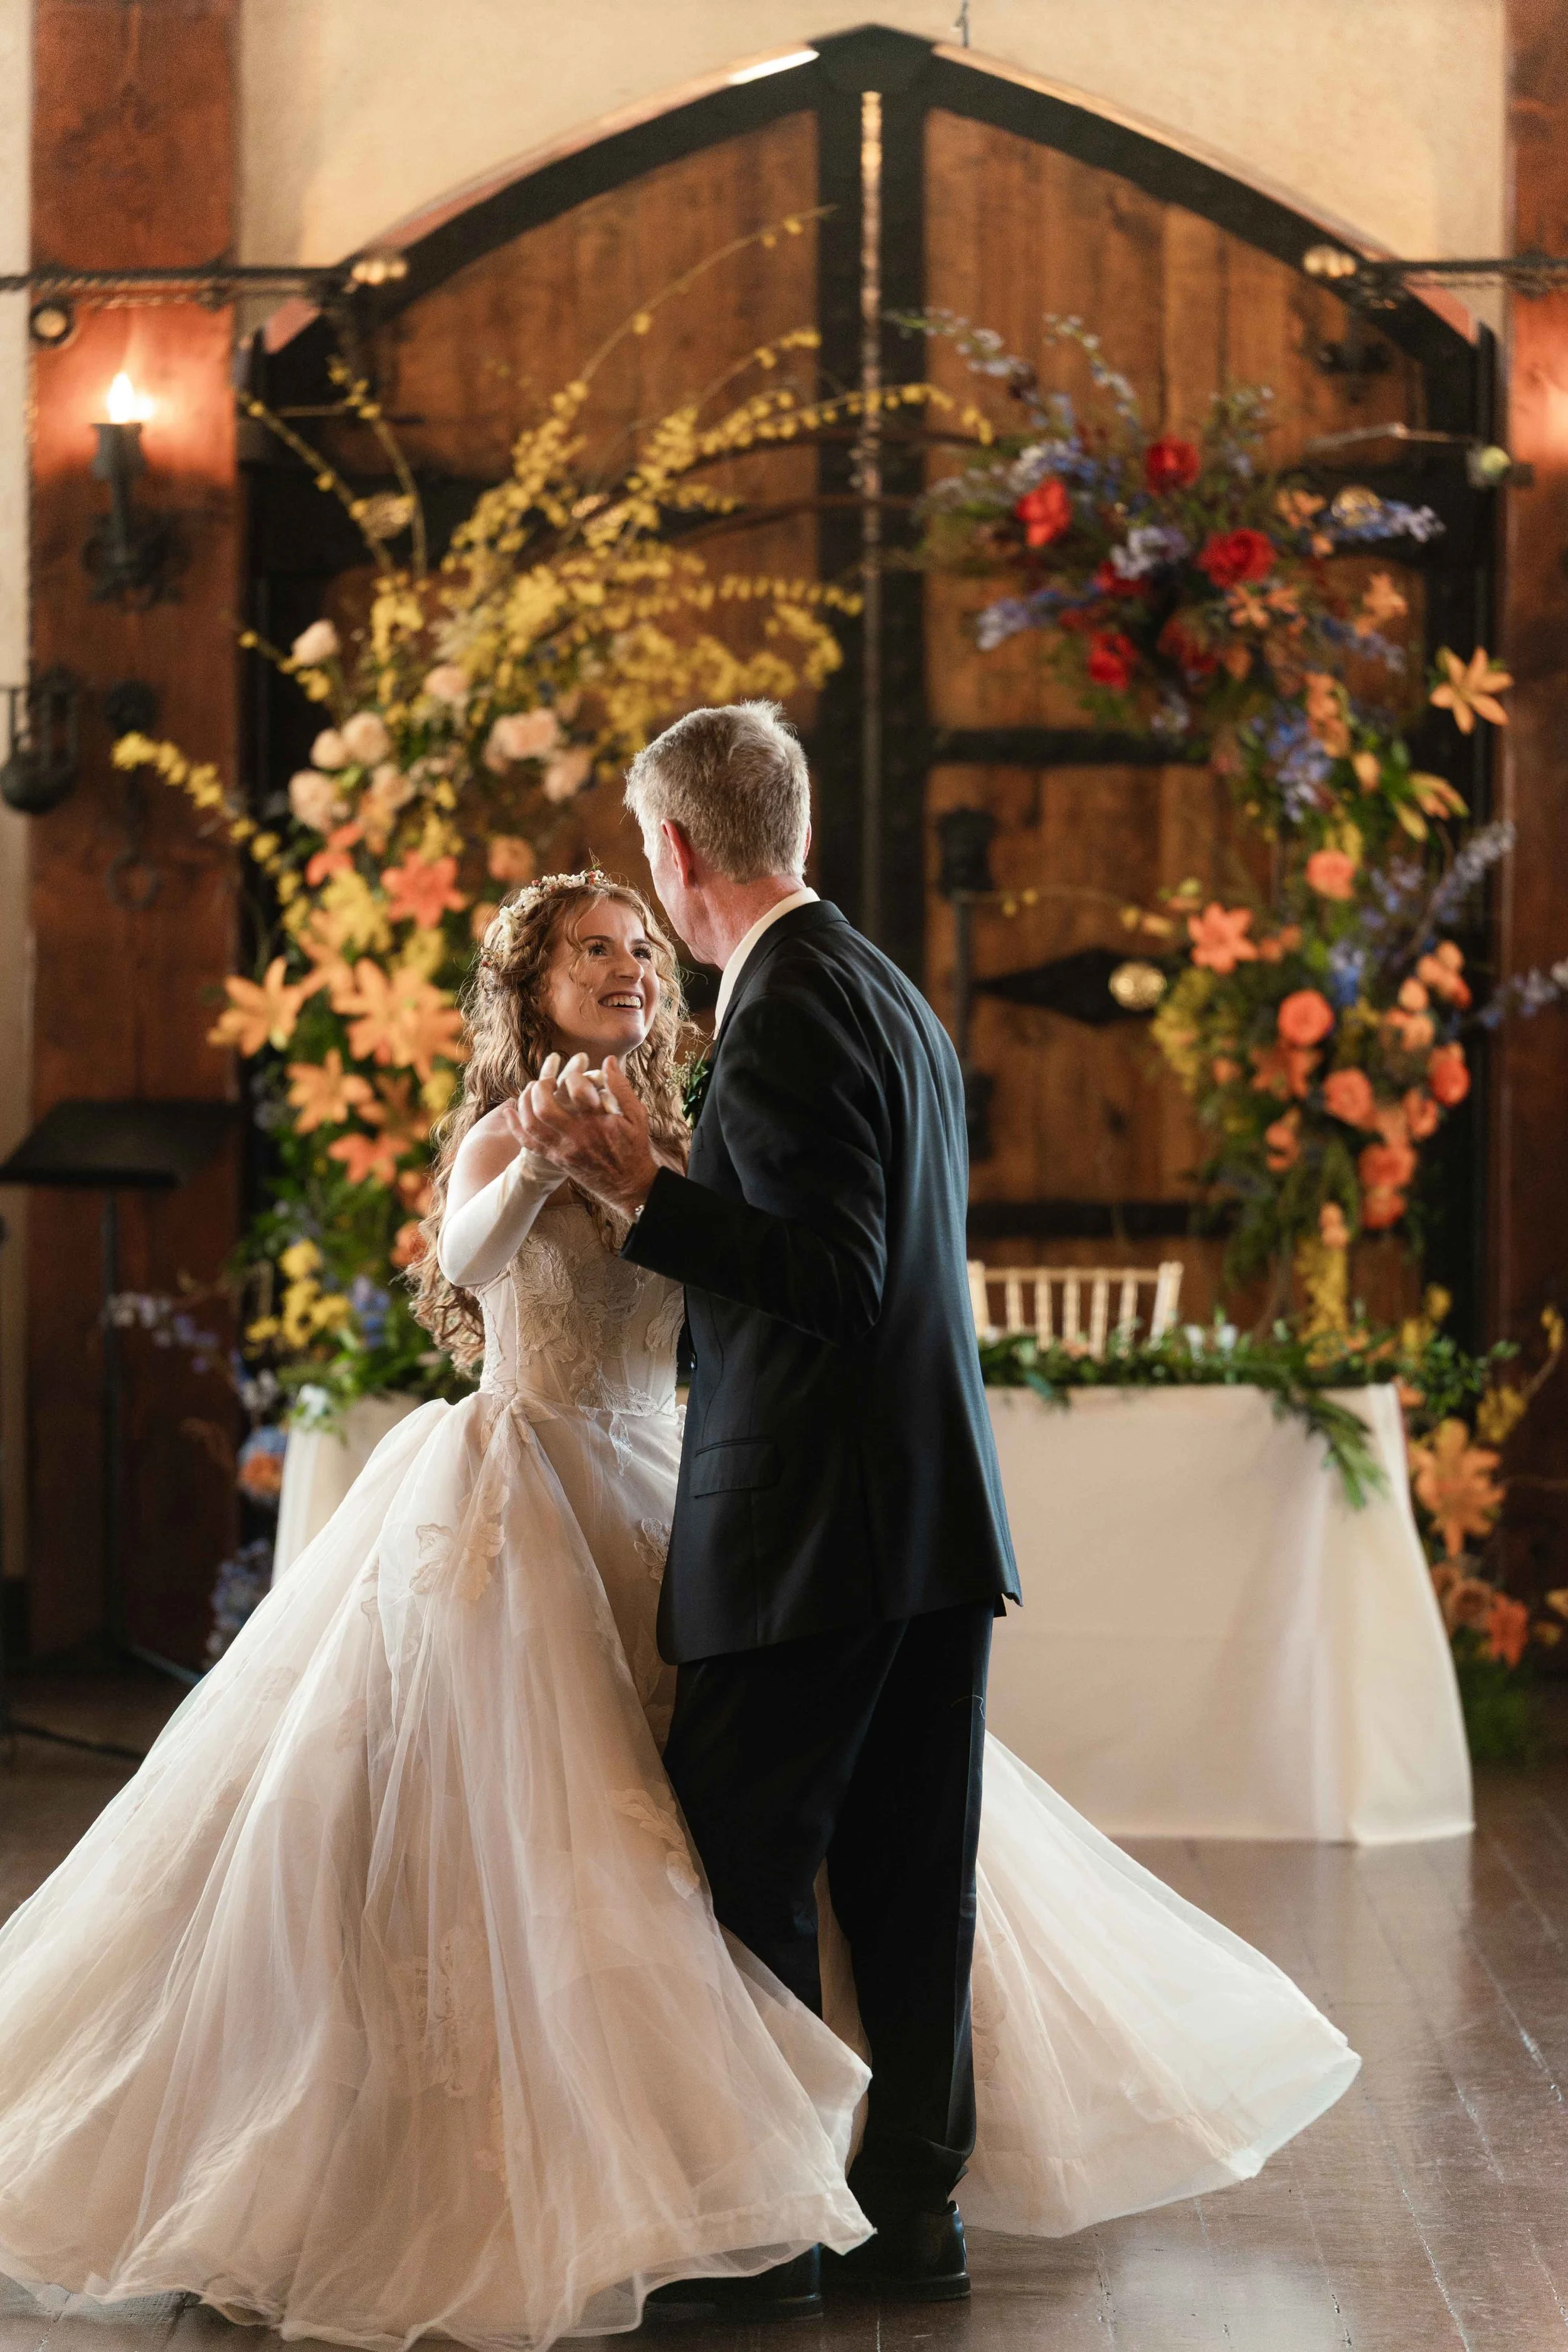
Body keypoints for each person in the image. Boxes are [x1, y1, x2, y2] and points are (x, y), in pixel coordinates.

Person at [0, 832, 1358, 2352]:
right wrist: (533, 1152)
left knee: (747, 1834)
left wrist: (654, 1179)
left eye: (644, 949)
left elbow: (755, 1282)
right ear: (527, 984)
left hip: (676, 1491)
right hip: (519, 1500)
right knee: (533, 1829)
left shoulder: (700, 1127)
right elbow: (464, 1260)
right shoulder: (497, 1130)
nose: (632, 969)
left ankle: (810, 2169)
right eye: (594, 950)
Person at [514, 702, 1359, 2312]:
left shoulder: (782, 1013)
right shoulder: (883, 989)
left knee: (739, 1868)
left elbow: (830, 1276)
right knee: (912, 1881)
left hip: (810, 1525)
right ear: (798, 830)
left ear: (677, 854)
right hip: (921, 1515)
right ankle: (908, 2221)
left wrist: (645, 1196)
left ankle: (762, 2233)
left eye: (646, 859)